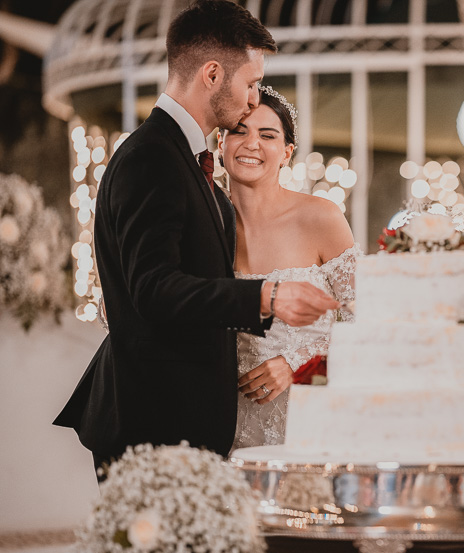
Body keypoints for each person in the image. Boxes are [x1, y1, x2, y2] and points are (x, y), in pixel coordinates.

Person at [53, 0, 340, 474]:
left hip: (185, 423)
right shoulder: (152, 158)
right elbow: (154, 288)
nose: (253, 99)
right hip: (155, 423)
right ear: (212, 75)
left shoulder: (185, 160)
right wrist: (266, 296)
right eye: (249, 85)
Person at [218, 86, 359, 450]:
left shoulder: (321, 217)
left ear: (286, 152)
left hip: (308, 417)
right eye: (239, 131)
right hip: (224, 423)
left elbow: (367, 320)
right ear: (221, 143)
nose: (252, 144)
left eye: (268, 135)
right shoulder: (206, 224)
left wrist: (295, 362)